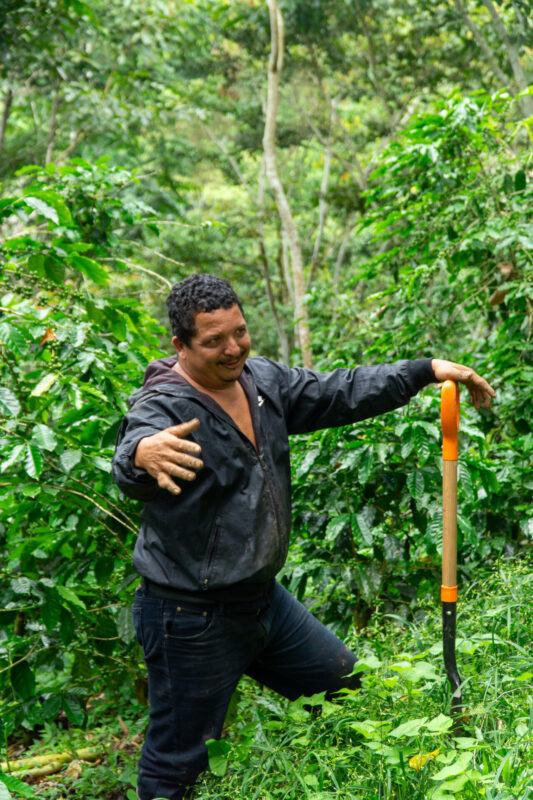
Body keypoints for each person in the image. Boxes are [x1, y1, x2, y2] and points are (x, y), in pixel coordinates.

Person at [112, 273, 495, 800]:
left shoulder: (261, 382)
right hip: (191, 616)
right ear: (180, 345)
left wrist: (423, 371)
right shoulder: (165, 406)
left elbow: (338, 390)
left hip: (262, 601)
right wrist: (139, 455)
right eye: (213, 340)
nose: (233, 349)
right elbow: (132, 450)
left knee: (344, 690)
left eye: (239, 332)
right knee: (180, 764)